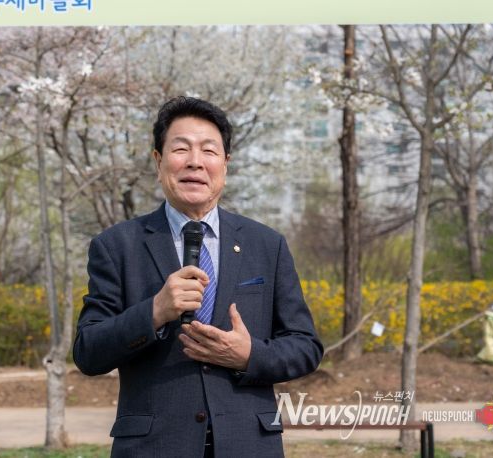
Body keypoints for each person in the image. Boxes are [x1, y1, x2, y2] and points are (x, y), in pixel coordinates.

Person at [73, 96, 323, 458]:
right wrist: (155, 311)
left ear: (225, 164)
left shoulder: (267, 245)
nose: (195, 161)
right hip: (154, 448)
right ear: (158, 161)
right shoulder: (117, 245)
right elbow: (88, 352)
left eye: (209, 150)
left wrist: (248, 355)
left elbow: (305, 347)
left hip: (248, 446)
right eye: (180, 149)